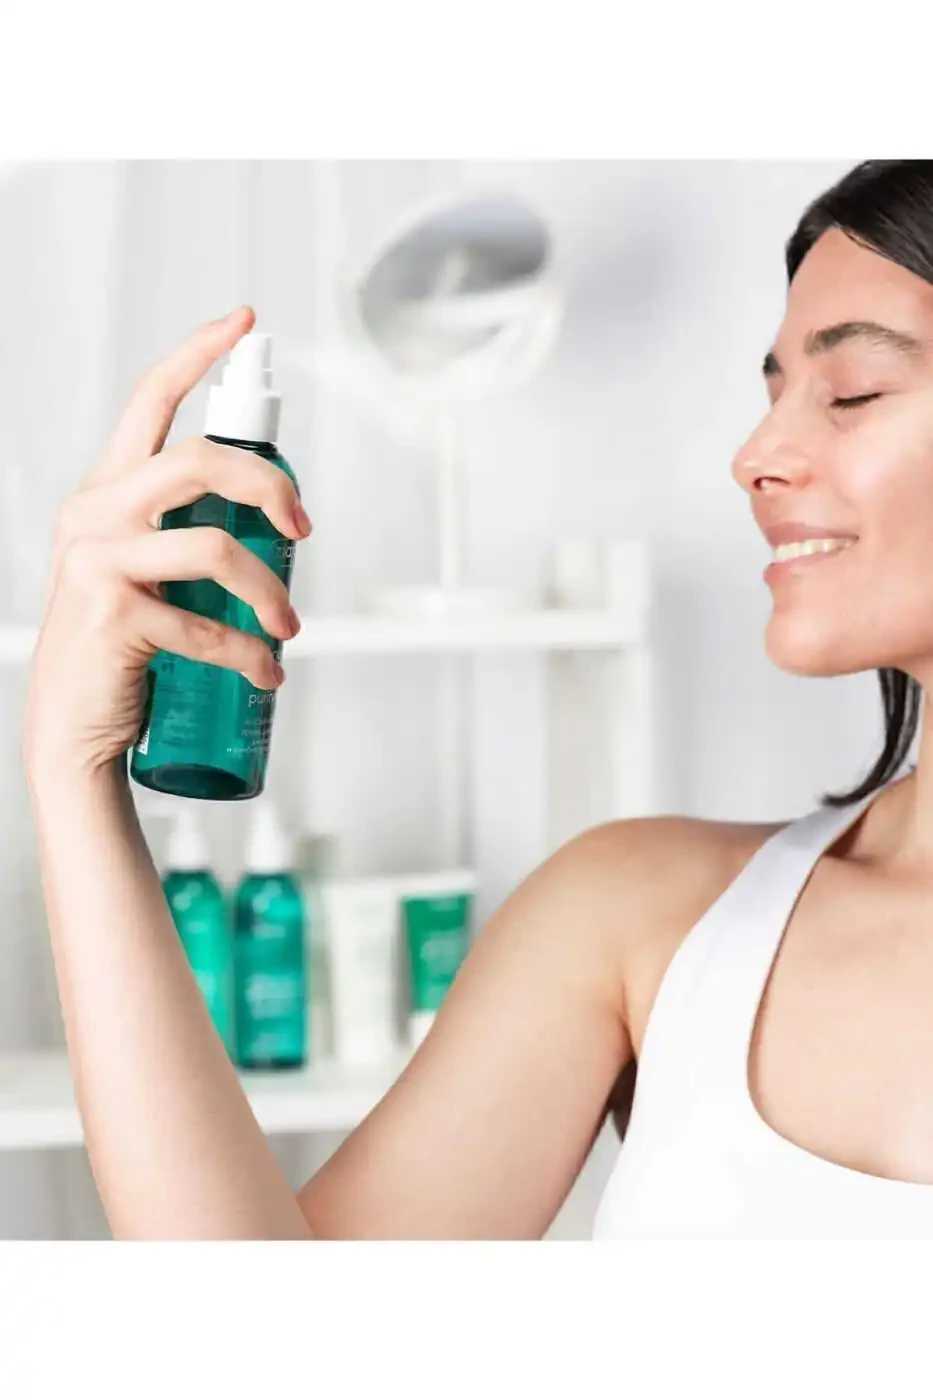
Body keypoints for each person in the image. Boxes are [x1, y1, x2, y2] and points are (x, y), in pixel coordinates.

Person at [23, 158, 933, 1240]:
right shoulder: (645, 915)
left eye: (854, 391)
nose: (756, 455)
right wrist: (70, 770)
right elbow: (264, 1325)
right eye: (773, 392)